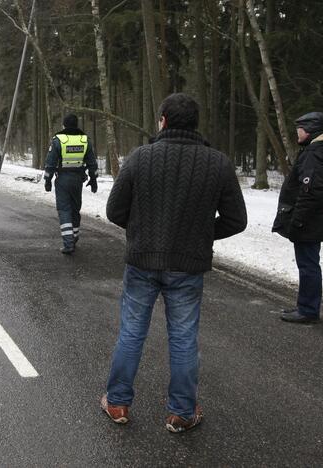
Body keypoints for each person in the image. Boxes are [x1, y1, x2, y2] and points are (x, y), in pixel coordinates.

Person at [101, 93, 247, 432]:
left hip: (143, 260)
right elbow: (235, 219)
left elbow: (114, 211)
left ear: (163, 120)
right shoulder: (218, 162)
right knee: (183, 337)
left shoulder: (140, 157)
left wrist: (143, 230)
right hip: (188, 265)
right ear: (195, 124)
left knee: (131, 332)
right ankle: (181, 411)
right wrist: (199, 235)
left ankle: (118, 403)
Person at [272, 112, 323, 324]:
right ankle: (306, 305)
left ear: (310, 130)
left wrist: (298, 219)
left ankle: (308, 309)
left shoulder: (316, 153)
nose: (298, 133)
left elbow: (311, 190)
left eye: (300, 129)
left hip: (310, 219)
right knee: (309, 262)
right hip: (317, 217)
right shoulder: (322, 151)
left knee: (308, 264)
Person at [43, 114, 98, 254]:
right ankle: (74, 236)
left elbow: (50, 163)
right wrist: (93, 180)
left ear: (64, 125)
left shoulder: (58, 140)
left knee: (64, 210)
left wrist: (47, 180)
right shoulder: (84, 140)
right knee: (75, 209)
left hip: (63, 179)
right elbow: (92, 163)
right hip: (78, 180)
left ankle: (68, 244)